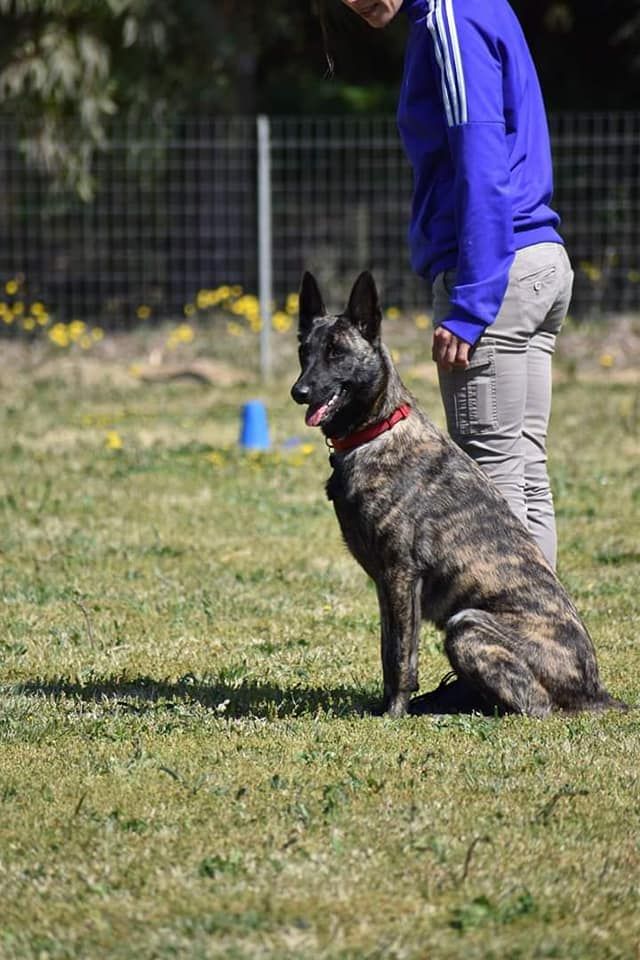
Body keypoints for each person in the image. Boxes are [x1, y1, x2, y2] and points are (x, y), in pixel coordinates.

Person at [338, 0, 573, 570]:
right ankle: (547, 653)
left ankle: (509, 652)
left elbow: (482, 164)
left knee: (490, 491)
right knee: (524, 473)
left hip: (496, 275)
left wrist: (471, 304)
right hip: (537, 260)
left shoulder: (450, 16)